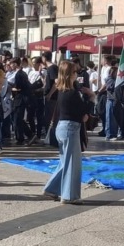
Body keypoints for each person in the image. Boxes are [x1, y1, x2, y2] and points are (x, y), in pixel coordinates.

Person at [43, 61, 86, 203]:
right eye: (74, 72)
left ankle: (52, 188)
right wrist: (92, 98)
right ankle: (69, 196)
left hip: (61, 128)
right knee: (72, 163)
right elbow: (83, 113)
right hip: (70, 128)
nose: (76, 74)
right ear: (69, 74)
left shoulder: (61, 90)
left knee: (65, 162)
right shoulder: (72, 93)